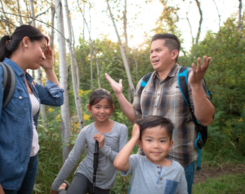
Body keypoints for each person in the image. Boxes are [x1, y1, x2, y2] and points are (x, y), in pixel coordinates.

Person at [105, 33, 215, 194]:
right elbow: (137, 118)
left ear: (173, 53)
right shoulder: (145, 81)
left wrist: (197, 86)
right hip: (146, 161)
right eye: (151, 51)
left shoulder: (189, 77)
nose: (153, 55)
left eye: (158, 50)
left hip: (180, 161)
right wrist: (119, 94)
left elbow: (206, 119)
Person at [0, 25, 64, 194]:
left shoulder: (29, 81)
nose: (43, 55)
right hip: (2, 171)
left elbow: (57, 99)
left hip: (29, 163)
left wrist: (49, 68)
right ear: (26, 42)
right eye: (42, 48)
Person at [51, 88, 128, 194]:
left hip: (105, 183)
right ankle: (61, 188)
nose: (102, 111)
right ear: (89, 108)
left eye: (106, 107)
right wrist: (55, 185)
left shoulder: (121, 129)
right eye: (97, 107)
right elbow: (72, 158)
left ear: (112, 108)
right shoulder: (86, 131)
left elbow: (122, 162)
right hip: (85, 173)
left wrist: (104, 147)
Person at [114, 115, 187, 193]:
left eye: (162, 141)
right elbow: (118, 164)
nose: (156, 146)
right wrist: (134, 138)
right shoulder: (137, 161)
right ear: (140, 144)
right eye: (149, 140)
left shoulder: (177, 169)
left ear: (170, 145)